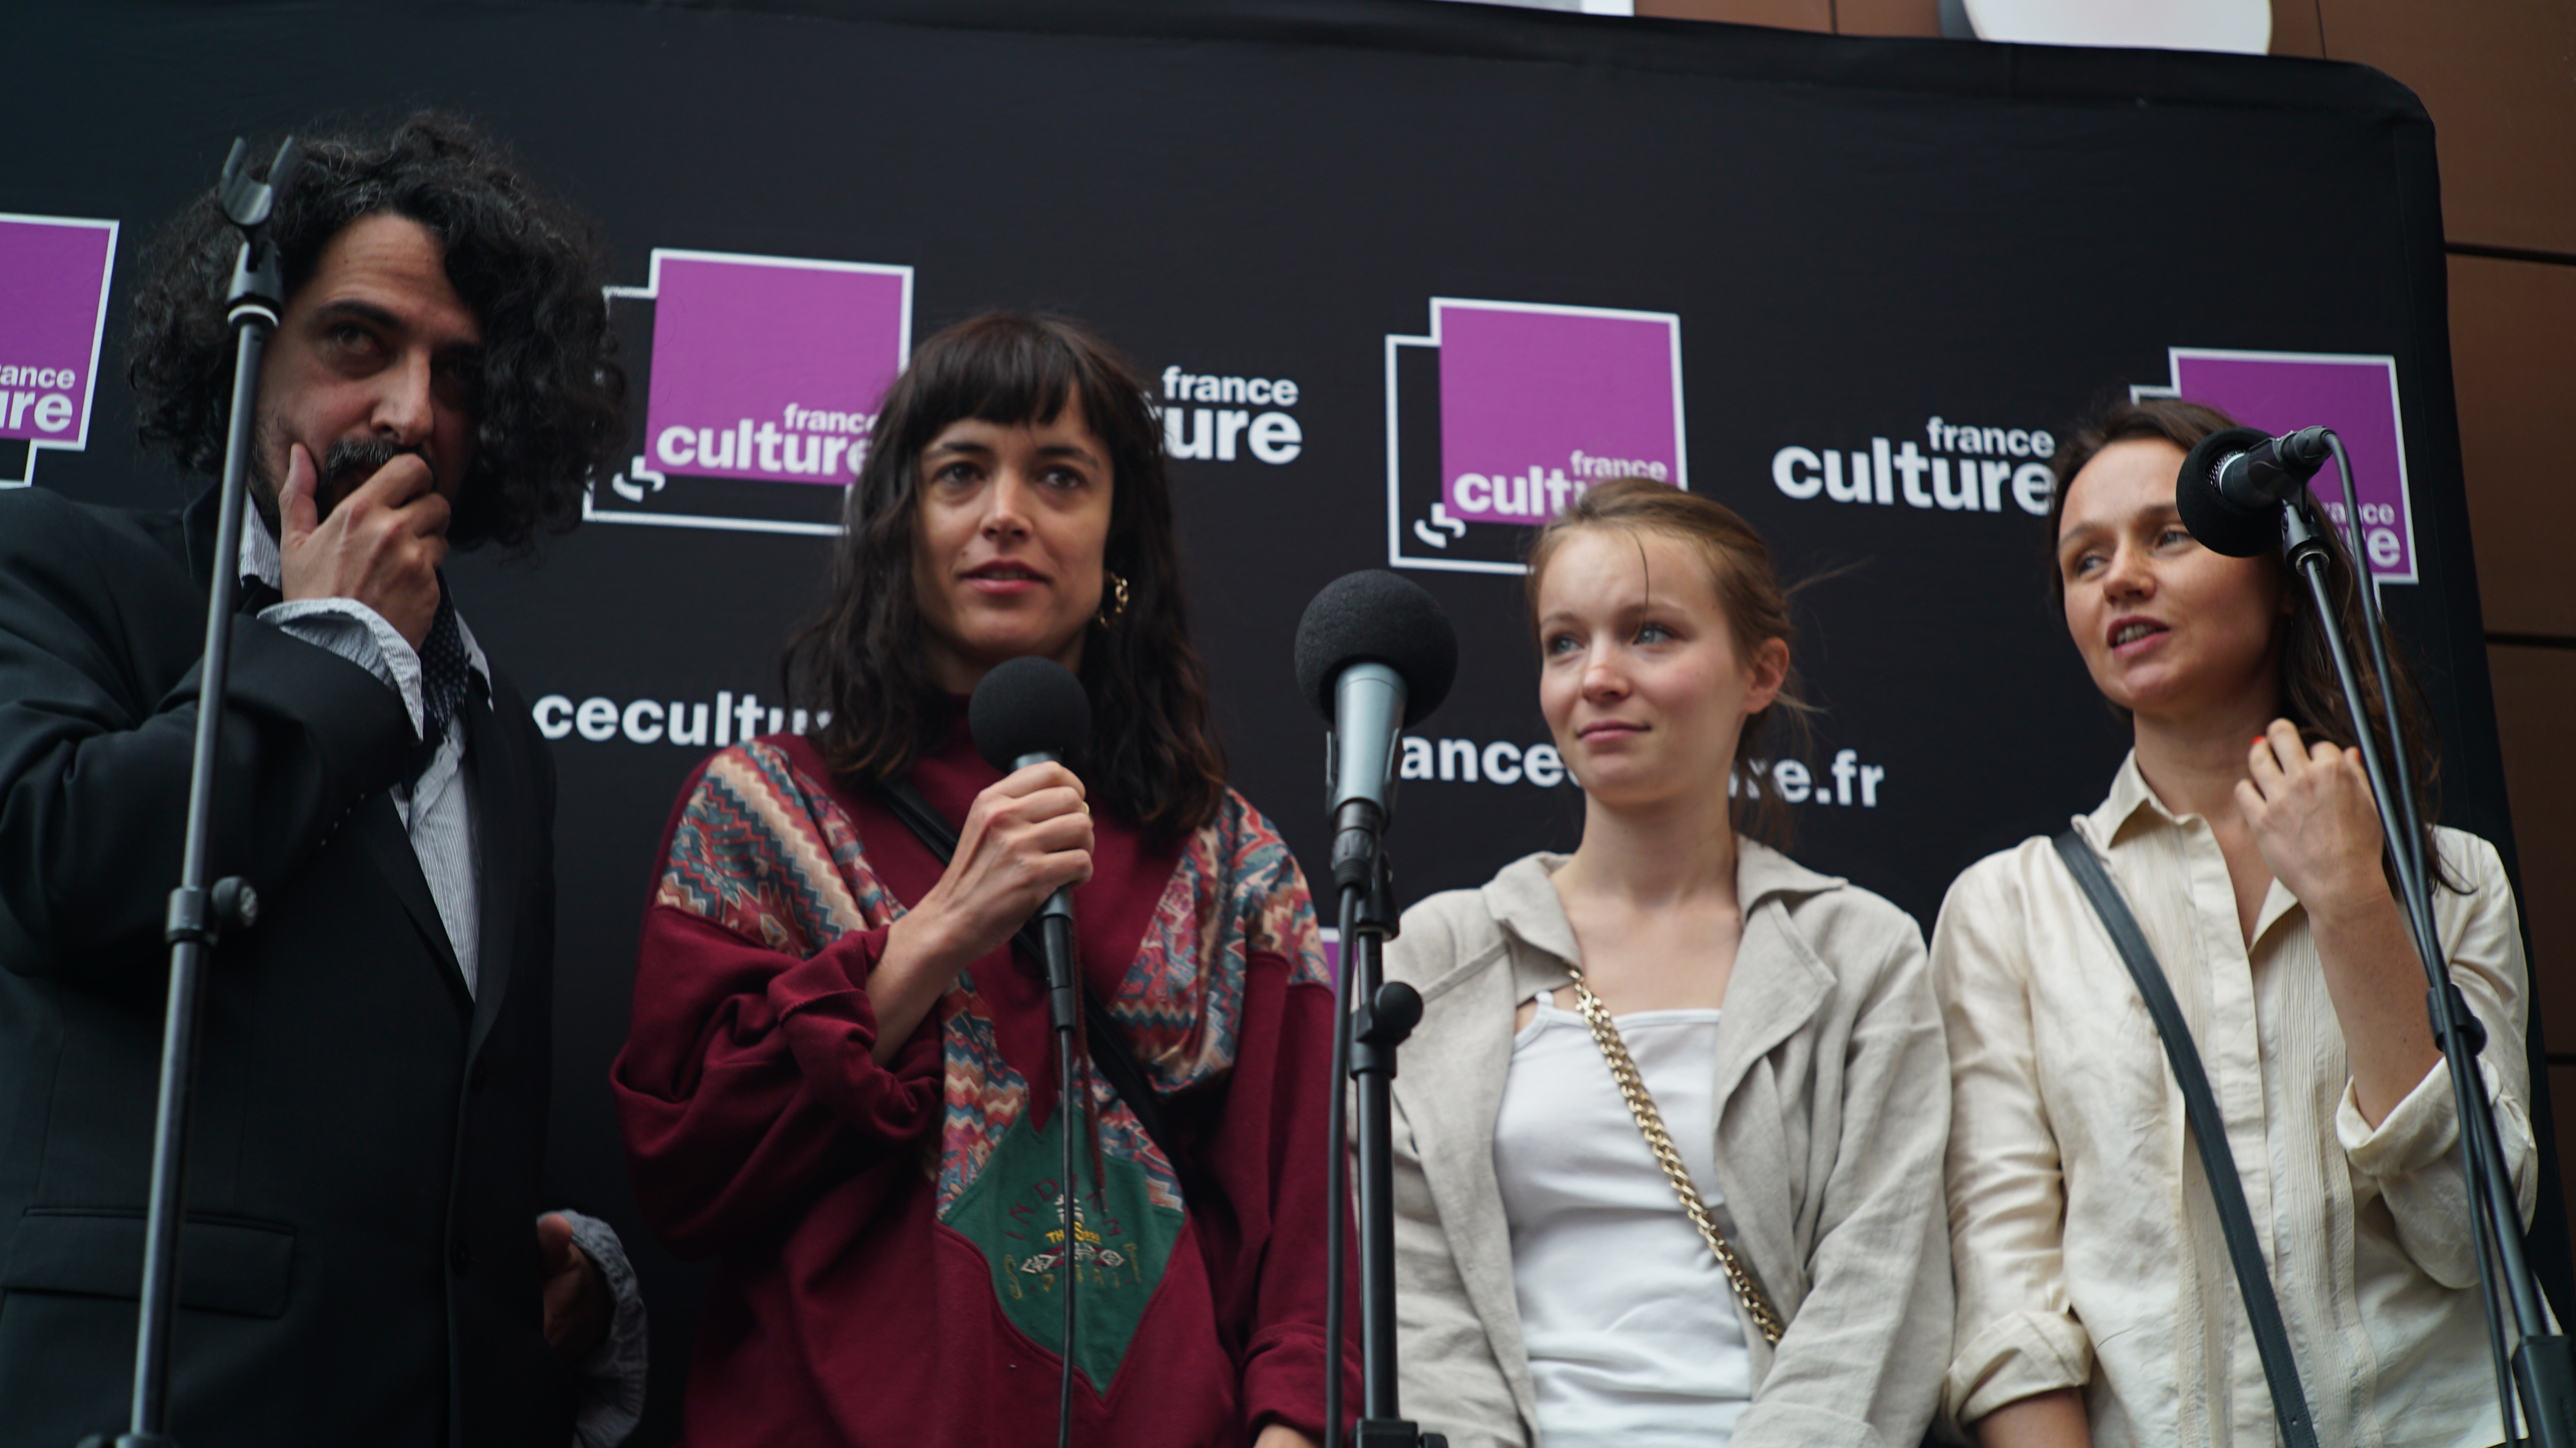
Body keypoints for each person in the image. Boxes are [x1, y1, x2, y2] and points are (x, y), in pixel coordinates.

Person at [0, 115, 646, 1447]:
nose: (413, 412)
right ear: (245, 352)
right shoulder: (59, 570)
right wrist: (332, 645)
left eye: (461, 375)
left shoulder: (505, 736)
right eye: (358, 340)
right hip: (150, 1400)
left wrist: (547, 1279)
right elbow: (67, 868)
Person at [612, 312, 1354, 1446]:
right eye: (961, 472)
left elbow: (1306, 1244)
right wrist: (940, 930)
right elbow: (682, 1168)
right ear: (900, 526)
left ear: (1120, 554)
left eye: (1060, 477)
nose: (1005, 513)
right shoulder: (761, 812)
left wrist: (1293, 1433)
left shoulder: (1231, 860)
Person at [1936, 397, 2535, 1447]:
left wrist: (2352, 902)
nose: (2121, 577)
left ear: (2278, 563)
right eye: (2085, 561)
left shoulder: (2452, 877)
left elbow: (2468, 1236)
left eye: (2169, 535)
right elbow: (2009, 1304)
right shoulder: (2012, 909)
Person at [1381, 477, 1952, 1448]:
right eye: (1565, 642)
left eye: (1650, 633)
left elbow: (1880, 1290)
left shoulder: (1861, 952)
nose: (1597, 675)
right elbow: (1414, 1298)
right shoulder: (1438, 953)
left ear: (1760, 671)